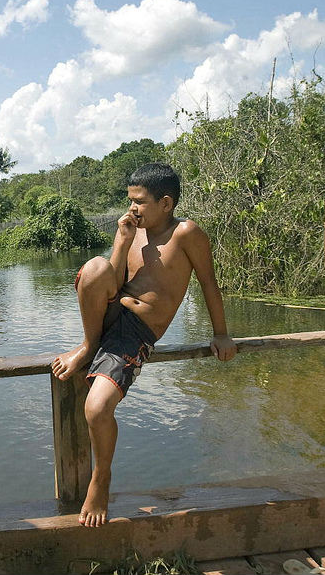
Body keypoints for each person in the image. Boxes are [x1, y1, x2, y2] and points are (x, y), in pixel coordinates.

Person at [50, 163, 237, 527]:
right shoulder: (133, 231)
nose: (132, 208)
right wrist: (121, 242)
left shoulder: (186, 234)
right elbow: (113, 279)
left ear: (166, 203)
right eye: (130, 200)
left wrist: (221, 333)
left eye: (140, 202)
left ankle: (101, 478)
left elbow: (209, 283)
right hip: (107, 316)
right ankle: (88, 346)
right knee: (95, 267)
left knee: (97, 409)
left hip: (135, 331)